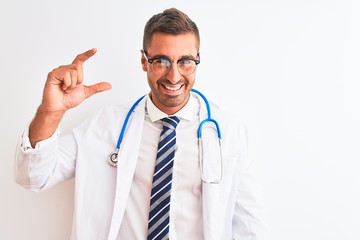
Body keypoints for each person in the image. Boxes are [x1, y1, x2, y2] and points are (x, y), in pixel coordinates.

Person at [14, 7, 268, 240]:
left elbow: (248, 225)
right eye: (162, 61)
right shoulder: (106, 125)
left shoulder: (230, 131)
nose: (174, 75)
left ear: (197, 59)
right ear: (144, 61)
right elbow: (34, 177)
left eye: (185, 61)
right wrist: (50, 112)